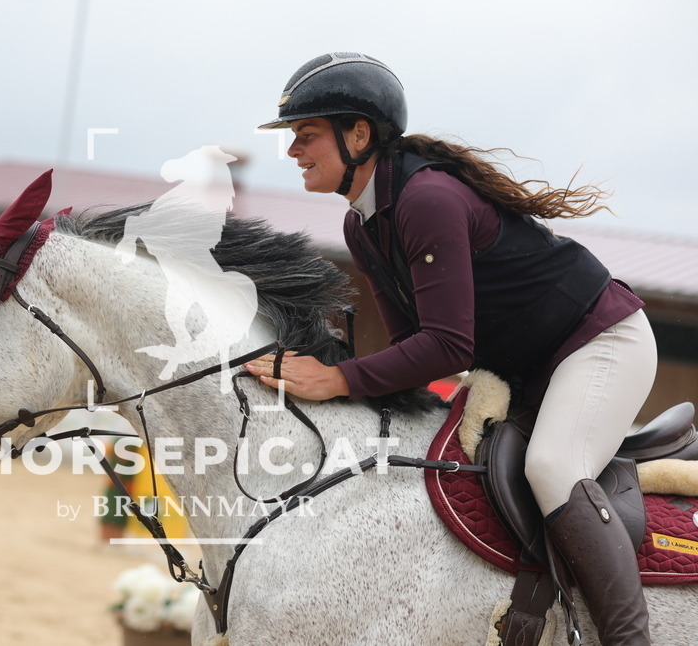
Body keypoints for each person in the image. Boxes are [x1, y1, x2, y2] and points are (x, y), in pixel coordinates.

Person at [243, 52, 656, 645]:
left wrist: (336, 379)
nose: (292, 152)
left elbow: (447, 345)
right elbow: (414, 345)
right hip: (529, 368)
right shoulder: (362, 225)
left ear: (358, 135)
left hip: (600, 342)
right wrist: (331, 371)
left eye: (305, 136)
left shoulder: (425, 199)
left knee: (552, 466)